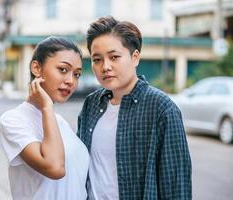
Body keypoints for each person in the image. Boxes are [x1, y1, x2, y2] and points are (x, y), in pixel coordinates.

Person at [77, 16, 192, 200]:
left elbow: (176, 186)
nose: (105, 66)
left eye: (114, 57)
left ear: (135, 57)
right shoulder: (91, 104)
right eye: (97, 59)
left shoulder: (162, 108)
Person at [0, 36, 89, 200]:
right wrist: (47, 107)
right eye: (63, 69)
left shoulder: (60, 123)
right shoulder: (13, 120)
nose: (71, 81)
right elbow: (55, 168)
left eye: (77, 74)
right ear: (36, 68)